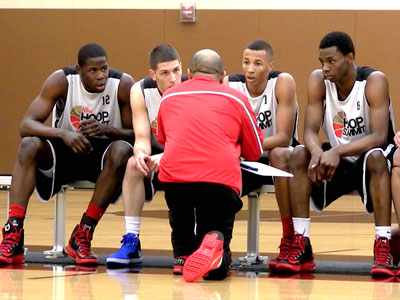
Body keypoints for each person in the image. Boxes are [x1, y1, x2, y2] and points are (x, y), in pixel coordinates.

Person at [0, 43, 134, 265]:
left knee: (123, 150)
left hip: (103, 157)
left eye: (104, 69)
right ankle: (13, 231)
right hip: (65, 149)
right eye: (93, 71)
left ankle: (83, 233)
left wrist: (108, 130)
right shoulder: (61, 80)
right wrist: (63, 134)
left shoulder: (122, 85)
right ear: (79, 69)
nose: (101, 75)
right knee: (29, 144)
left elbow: (137, 135)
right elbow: (26, 125)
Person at [281, 31, 396, 276]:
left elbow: (379, 136)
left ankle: (383, 244)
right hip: (338, 158)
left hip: (373, 155)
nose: (325, 68)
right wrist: (317, 153)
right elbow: (310, 132)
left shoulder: (374, 81)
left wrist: (336, 151)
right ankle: (302, 243)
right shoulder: (317, 81)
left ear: (350, 58)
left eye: (331, 61)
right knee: (299, 154)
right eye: (322, 61)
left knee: (376, 158)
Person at [157, 49, 264, 282]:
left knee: (180, 218)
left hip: (175, 181)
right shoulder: (236, 98)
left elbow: (163, 140)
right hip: (219, 181)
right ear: (224, 76)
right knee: (217, 265)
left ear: (188, 73)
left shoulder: (169, 96)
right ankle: (216, 247)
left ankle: (181, 257)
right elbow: (255, 151)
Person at [106, 45, 185, 268]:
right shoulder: (139, 90)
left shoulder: (188, 88)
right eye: (165, 73)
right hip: (157, 153)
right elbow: (141, 136)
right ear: (152, 74)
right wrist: (141, 154)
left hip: (185, 155)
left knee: (194, 170)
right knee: (133, 164)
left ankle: (193, 242)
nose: (173, 78)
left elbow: (192, 142)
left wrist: (168, 156)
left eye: (176, 70)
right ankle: (132, 241)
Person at [224, 39, 298, 270]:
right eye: (246, 62)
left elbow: (284, 137)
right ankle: (220, 246)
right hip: (246, 161)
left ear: (269, 66)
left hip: (279, 159)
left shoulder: (282, 82)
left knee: (278, 153)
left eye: (257, 63)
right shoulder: (230, 85)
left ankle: (289, 237)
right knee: (218, 172)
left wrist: (247, 148)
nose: (250, 68)